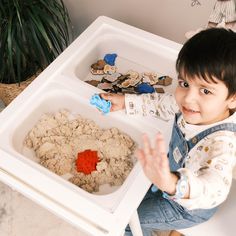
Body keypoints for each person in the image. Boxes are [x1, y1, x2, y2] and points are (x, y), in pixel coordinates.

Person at [99, 28, 236, 236]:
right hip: (167, 180)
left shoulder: (223, 143)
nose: (188, 98)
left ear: (233, 98)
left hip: (187, 207)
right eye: (184, 83)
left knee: (124, 221)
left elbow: (213, 189)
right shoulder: (190, 106)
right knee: (125, 199)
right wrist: (125, 102)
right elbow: (161, 103)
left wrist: (172, 184)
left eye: (205, 91)